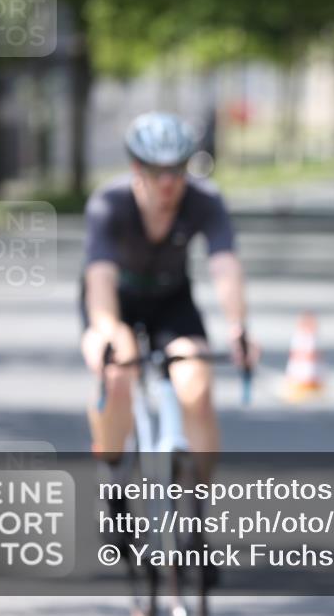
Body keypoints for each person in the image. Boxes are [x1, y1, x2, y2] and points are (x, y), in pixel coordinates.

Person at [79, 111, 257, 478]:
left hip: (171, 298)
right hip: (118, 301)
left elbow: (225, 266)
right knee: (117, 374)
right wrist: (104, 331)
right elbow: (99, 278)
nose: (167, 182)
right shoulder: (109, 203)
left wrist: (238, 326)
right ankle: (113, 479)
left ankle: (196, 505)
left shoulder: (204, 199)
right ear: (135, 167)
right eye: (156, 171)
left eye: (177, 170)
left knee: (197, 385)